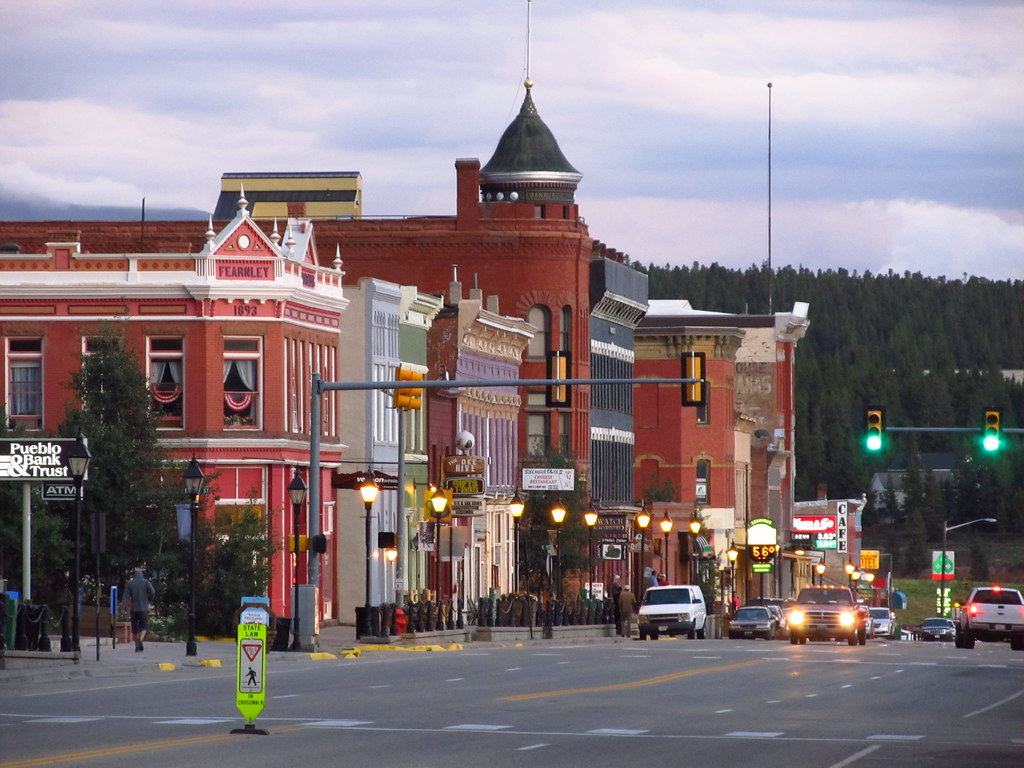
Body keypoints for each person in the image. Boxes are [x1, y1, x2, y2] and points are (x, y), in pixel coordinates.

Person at [125, 567, 156, 652]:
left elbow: (126, 596)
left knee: (135, 630)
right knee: (144, 627)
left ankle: (136, 646)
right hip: (144, 608)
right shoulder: (146, 582)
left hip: (134, 609)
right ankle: (141, 640)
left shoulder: (130, 584)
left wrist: (122, 607)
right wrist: (149, 598)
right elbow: (153, 592)